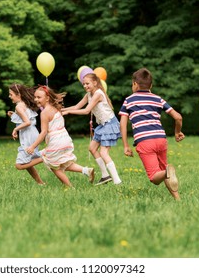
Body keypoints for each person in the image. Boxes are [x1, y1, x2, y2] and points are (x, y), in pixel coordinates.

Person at [119, 68, 185, 200]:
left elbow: (123, 124)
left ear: (135, 84)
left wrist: (126, 145)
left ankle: (168, 172)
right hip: (161, 139)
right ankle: (178, 199)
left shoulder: (129, 100)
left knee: (155, 177)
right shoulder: (158, 99)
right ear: (151, 85)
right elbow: (178, 117)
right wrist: (177, 132)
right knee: (163, 171)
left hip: (145, 141)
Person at [25, 85, 95, 189]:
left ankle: (70, 187)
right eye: (35, 97)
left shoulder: (44, 113)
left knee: (53, 166)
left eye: (39, 97)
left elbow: (43, 132)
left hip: (56, 141)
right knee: (62, 163)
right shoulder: (56, 108)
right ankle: (86, 170)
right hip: (65, 139)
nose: (36, 99)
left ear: (47, 98)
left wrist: (32, 146)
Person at [62, 73, 122, 185]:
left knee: (104, 153)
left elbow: (86, 111)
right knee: (92, 148)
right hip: (102, 125)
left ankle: (117, 181)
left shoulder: (98, 94)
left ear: (95, 83)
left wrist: (68, 112)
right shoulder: (88, 95)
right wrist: (61, 110)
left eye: (87, 83)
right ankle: (105, 176)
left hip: (109, 124)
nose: (85, 86)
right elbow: (77, 107)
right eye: (83, 84)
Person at [7, 83, 44, 185]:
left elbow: (27, 122)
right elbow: (24, 118)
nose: (9, 97)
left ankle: (44, 158)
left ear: (18, 94)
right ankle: (40, 183)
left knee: (19, 165)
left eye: (11, 94)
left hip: (29, 135)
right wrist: (14, 114)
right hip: (31, 134)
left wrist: (15, 130)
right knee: (27, 162)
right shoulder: (23, 104)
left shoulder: (19, 106)